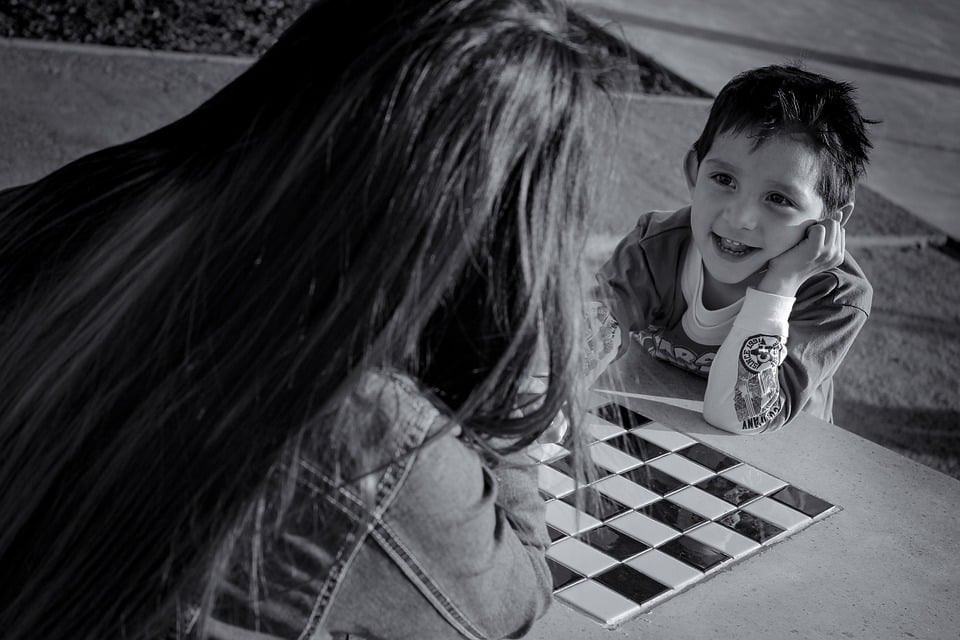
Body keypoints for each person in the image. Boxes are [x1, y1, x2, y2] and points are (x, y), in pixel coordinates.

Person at [0, 1, 645, 638]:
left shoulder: (82, 205)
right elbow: (512, 601)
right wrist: (514, 361)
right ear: (500, 242)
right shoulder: (370, 433)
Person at [590, 64, 876, 433]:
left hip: (770, 476)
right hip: (650, 432)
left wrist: (781, 284)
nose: (740, 217)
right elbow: (575, 350)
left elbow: (737, 415)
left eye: (779, 198)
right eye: (724, 179)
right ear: (694, 172)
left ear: (832, 222)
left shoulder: (834, 297)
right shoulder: (653, 248)